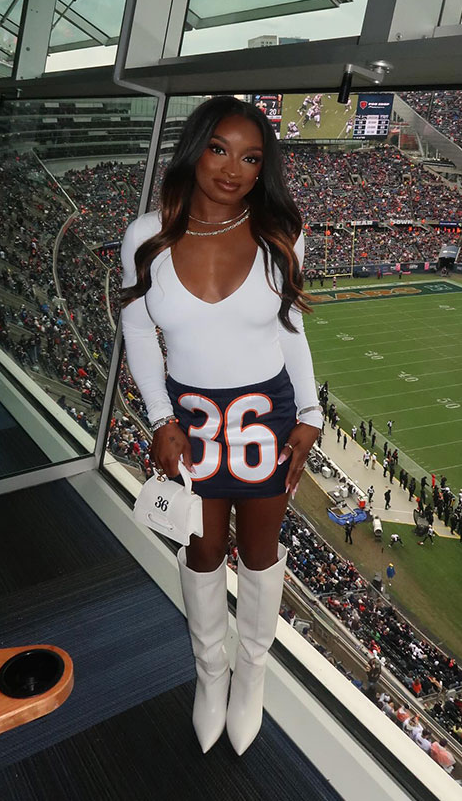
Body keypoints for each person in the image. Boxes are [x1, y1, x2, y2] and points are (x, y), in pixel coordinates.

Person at [120, 97, 322, 755]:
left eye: (252, 157)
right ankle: (211, 671)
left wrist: (311, 414)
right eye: (220, 149)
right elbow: (137, 329)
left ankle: (252, 672)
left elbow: (290, 328)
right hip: (193, 419)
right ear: (195, 148)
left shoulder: (281, 234)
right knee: (203, 549)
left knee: (260, 555)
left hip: (267, 418)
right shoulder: (146, 234)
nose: (234, 168)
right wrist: (158, 414)